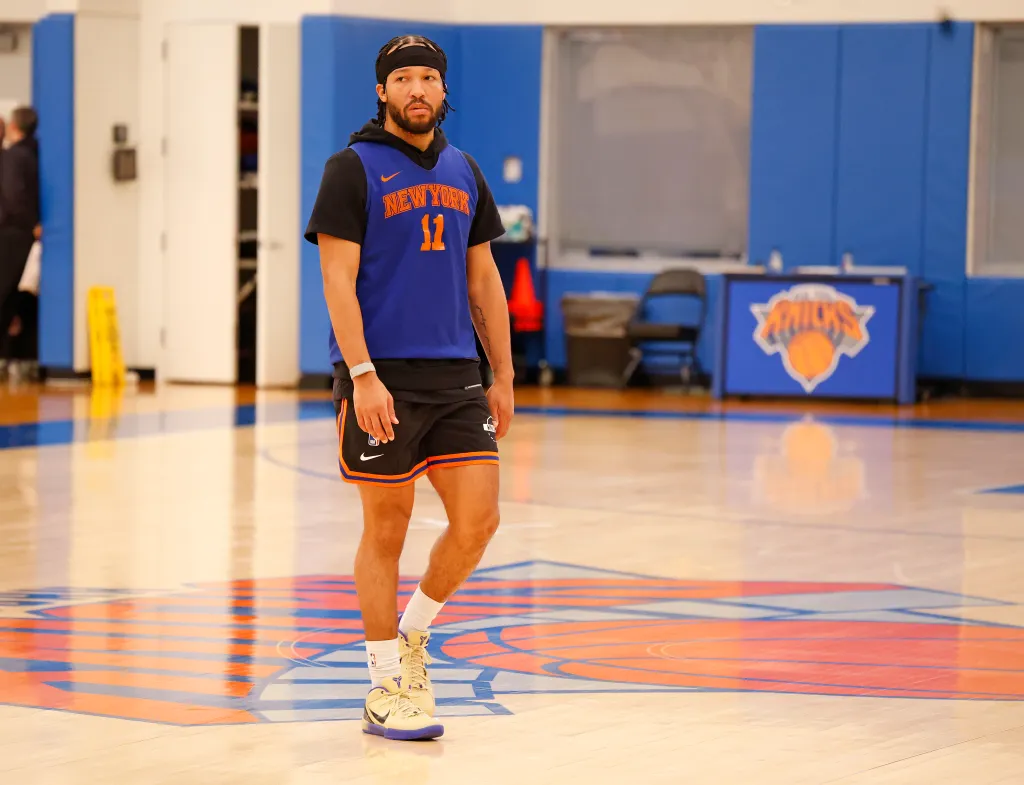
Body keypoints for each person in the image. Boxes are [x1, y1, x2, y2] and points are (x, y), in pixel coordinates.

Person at [304, 35, 513, 741]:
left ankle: (414, 633)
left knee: (479, 521)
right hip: (381, 376)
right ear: (382, 92)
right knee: (386, 529)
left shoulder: (465, 170)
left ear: (443, 90)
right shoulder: (351, 168)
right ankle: (382, 682)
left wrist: (503, 372)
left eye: (428, 77)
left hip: (456, 376)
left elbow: (483, 278)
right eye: (403, 79)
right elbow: (337, 282)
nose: (416, 89)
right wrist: (362, 375)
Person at [0, 106, 39, 376]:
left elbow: (14, 196)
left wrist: (27, 223)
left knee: (7, 295)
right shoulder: (32, 153)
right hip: (22, 232)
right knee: (15, 296)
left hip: (13, 233)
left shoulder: (14, 157)